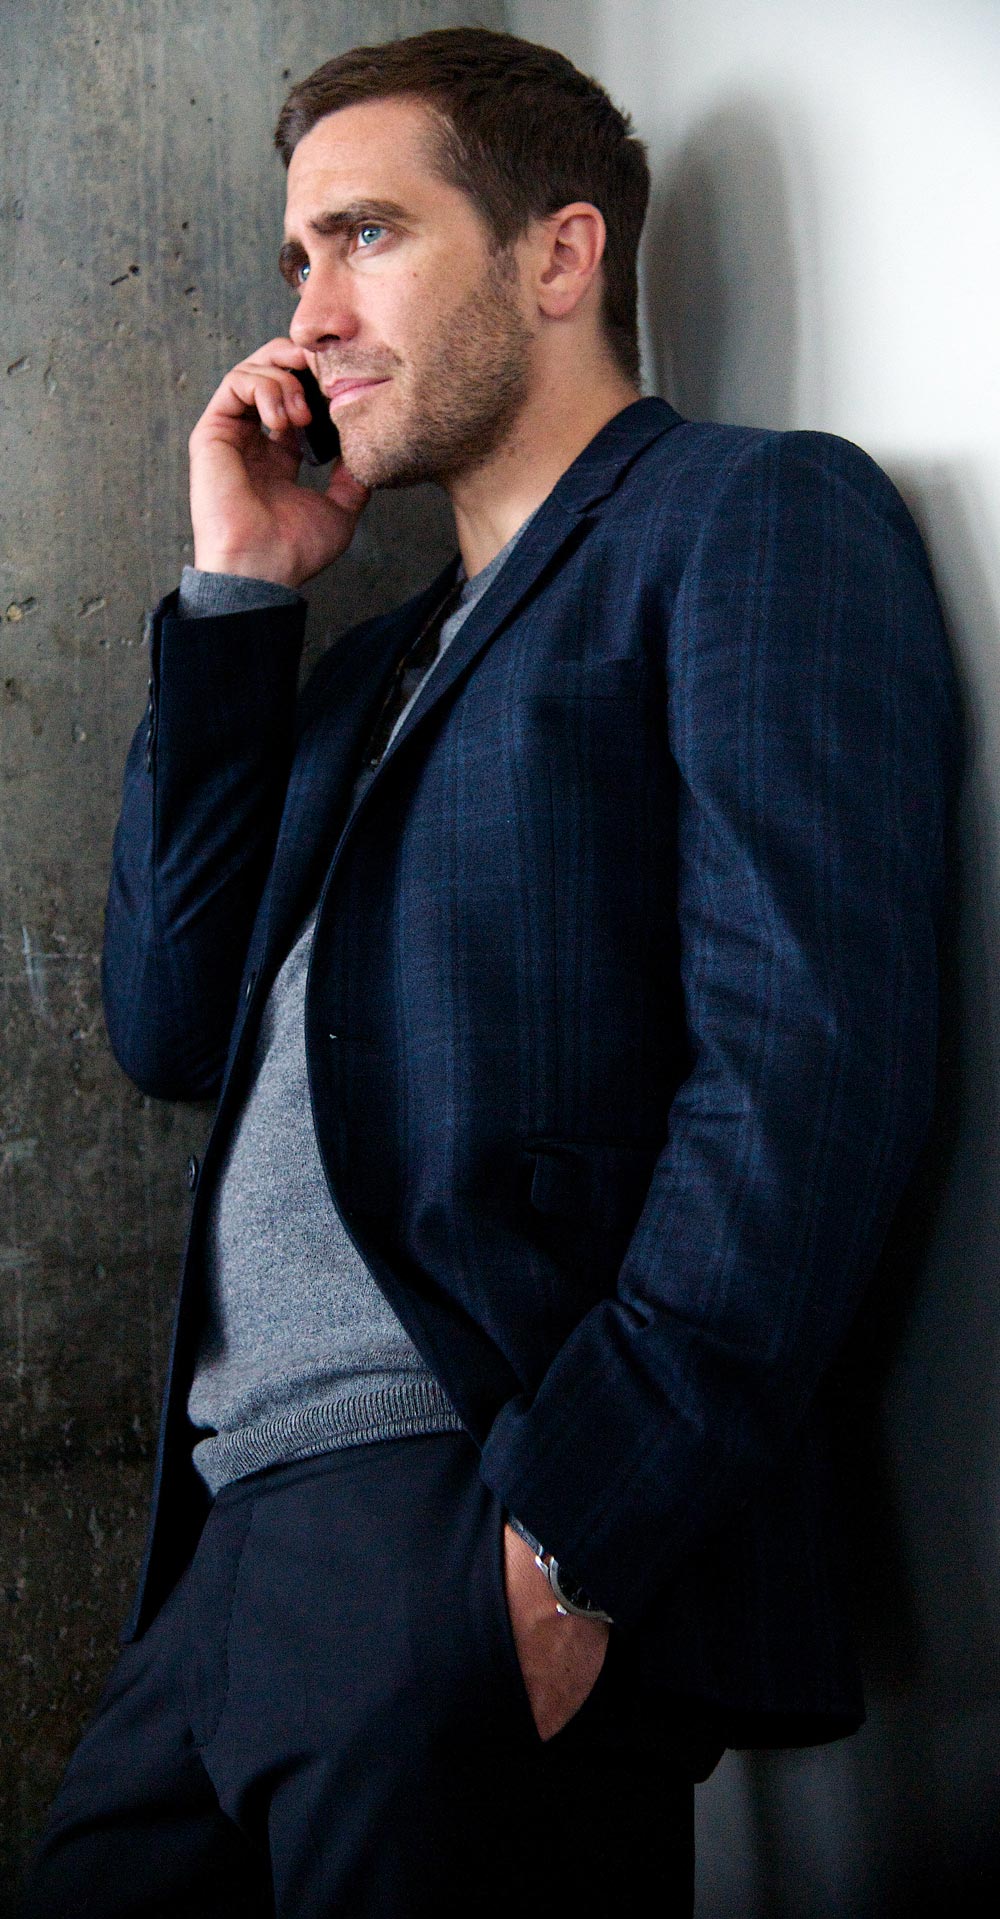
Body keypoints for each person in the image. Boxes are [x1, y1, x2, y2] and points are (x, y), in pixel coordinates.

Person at [20, 24, 957, 1919]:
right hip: (220, 1566)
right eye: (298, 257)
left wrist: (569, 1542)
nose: (310, 312)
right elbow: (167, 1021)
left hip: (462, 1522)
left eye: (367, 235)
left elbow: (808, 1061)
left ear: (558, 255)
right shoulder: (368, 669)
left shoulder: (747, 517)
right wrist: (239, 598)